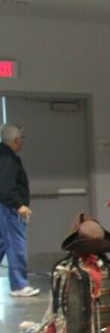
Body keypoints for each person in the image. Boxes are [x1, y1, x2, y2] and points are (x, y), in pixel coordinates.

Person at [0, 123, 38, 297]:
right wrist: (19, 205)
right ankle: (19, 285)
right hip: (10, 208)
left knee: (2, 243)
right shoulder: (7, 158)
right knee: (16, 244)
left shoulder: (4, 155)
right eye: (21, 139)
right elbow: (6, 186)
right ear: (16, 140)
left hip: (4, 207)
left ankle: (18, 283)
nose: (22, 142)